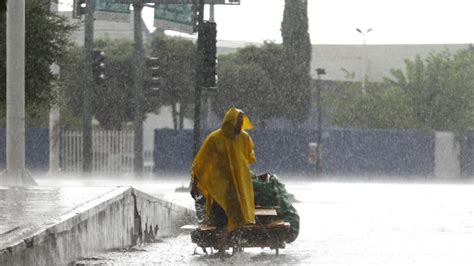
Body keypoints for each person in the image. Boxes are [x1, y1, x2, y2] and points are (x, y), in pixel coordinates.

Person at [191, 107, 257, 235]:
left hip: (239, 186)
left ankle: (237, 247)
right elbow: (201, 163)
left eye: (242, 120)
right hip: (220, 187)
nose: (241, 124)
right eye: (238, 120)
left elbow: (248, 158)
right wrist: (195, 184)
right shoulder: (215, 138)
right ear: (231, 122)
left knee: (239, 218)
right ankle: (222, 249)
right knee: (221, 218)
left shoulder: (245, 138)